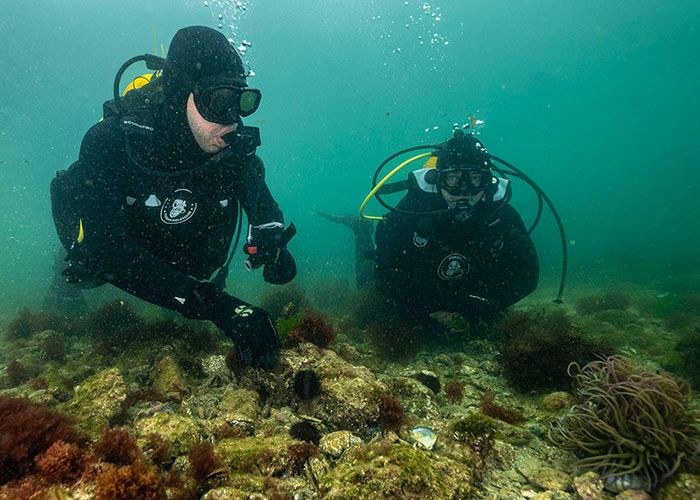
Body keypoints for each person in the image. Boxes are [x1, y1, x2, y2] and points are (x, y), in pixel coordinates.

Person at [49, 26, 297, 368]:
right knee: (86, 263)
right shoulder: (110, 142)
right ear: (182, 94)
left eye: (241, 102)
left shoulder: (231, 148)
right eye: (217, 101)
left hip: (186, 259)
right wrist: (216, 306)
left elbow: (264, 208)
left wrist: (274, 248)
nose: (232, 120)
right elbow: (107, 249)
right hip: (125, 251)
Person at [323, 129, 539, 326]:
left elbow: (527, 275)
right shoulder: (415, 209)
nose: (464, 189)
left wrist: (474, 306)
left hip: (470, 293)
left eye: (475, 178)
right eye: (453, 178)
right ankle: (361, 230)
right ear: (438, 179)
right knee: (368, 290)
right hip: (418, 292)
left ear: (487, 181)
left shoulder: (500, 214)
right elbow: (385, 276)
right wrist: (429, 306)